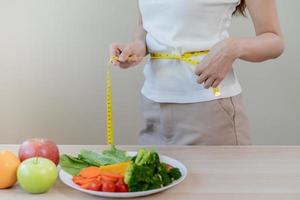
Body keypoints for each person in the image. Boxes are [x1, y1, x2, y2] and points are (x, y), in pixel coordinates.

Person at [109, 0, 284, 145]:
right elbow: (146, 23)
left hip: (208, 109)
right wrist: (139, 45)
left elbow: (274, 41)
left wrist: (233, 47)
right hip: (152, 107)